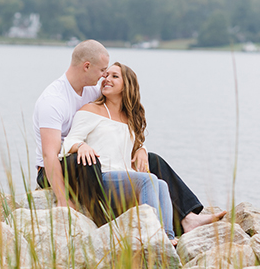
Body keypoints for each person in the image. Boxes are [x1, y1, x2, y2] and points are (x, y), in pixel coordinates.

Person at [33, 39, 225, 233]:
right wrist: (62, 199)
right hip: (56, 167)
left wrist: (140, 149)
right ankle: (107, 221)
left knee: (153, 162)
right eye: (102, 71)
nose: (103, 78)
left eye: (109, 74)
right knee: (94, 162)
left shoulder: (93, 90)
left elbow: (115, 129)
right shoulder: (54, 100)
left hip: (88, 163)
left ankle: (187, 217)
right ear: (86, 66)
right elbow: (51, 154)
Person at [62, 62, 176, 243]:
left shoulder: (130, 118)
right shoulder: (91, 110)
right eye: (106, 75)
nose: (106, 79)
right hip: (104, 178)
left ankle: (168, 237)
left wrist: (141, 149)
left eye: (114, 76)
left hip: (127, 179)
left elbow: (135, 142)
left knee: (161, 184)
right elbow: (68, 142)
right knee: (150, 179)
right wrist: (81, 146)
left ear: (127, 85)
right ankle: (152, 234)